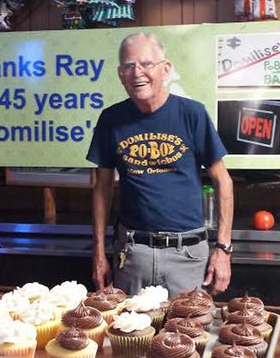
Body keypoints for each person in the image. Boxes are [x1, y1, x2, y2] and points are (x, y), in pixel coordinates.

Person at [87, 33, 234, 297]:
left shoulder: (192, 114)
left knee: (189, 335)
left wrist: (223, 249)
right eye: (129, 66)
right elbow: (102, 187)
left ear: (165, 69)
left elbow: (223, 180)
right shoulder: (111, 119)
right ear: (120, 73)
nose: (137, 73)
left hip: (186, 255)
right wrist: (98, 252)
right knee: (129, 335)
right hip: (132, 255)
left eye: (146, 64)